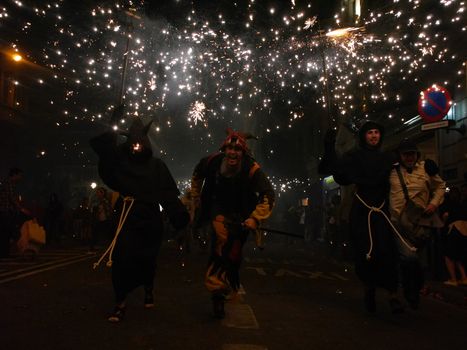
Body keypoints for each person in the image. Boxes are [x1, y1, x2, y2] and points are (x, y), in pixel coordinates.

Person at [90, 108, 189, 322]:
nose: (136, 146)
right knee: (121, 259)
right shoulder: (121, 163)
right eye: (132, 142)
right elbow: (107, 156)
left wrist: (179, 217)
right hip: (126, 217)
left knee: (147, 259)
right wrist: (112, 124)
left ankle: (148, 288)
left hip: (149, 219)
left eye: (139, 141)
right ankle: (120, 303)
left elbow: (168, 195)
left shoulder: (156, 166)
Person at [319, 121, 404, 314]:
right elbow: (337, 171)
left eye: (376, 132)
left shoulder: (387, 158)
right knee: (366, 253)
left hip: (382, 211)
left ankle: (392, 294)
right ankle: (369, 289)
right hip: (362, 210)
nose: (374, 136)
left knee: (387, 251)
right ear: (364, 136)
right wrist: (329, 147)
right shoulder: (354, 157)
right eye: (370, 133)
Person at [189, 128, 275, 318]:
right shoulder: (212, 162)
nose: (232, 153)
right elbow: (197, 174)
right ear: (224, 150)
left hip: (241, 214)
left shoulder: (252, 169)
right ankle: (216, 289)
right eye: (229, 148)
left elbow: (268, 194)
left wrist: (254, 218)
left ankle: (225, 285)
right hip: (217, 209)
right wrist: (196, 197)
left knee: (233, 253)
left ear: (243, 153)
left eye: (237, 150)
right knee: (221, 241)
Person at [389, 139, 446, 309]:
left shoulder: (426, 169)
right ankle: (410, 292)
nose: (409, 157)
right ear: (399, 156)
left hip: (420, 225)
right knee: (409, 257)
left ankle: (415, 287)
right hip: (397, 225)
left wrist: (434, 203)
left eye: (411, 153)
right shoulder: (391, 172)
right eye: (405, 154)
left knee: (417, 262)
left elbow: (441, 186)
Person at [439, 187, 467, 286]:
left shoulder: (447, 204)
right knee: (458, 255)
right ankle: (464, 278)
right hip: (464, 231)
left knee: (448, 255)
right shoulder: (461, 205)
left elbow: (445, 215)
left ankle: (453, 279)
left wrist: (443, 224)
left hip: (453, 230)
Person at [0, 168, 27, 259]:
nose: (20, 177)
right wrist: (21, 208)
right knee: (8, 232)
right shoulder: (9, 184)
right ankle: (5, 253)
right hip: (4, 211)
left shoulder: (6, 183)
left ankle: (4, 253)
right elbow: (11, 198)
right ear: (14, 175)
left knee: (5, 233)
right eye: (19, 175)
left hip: (4, 211)